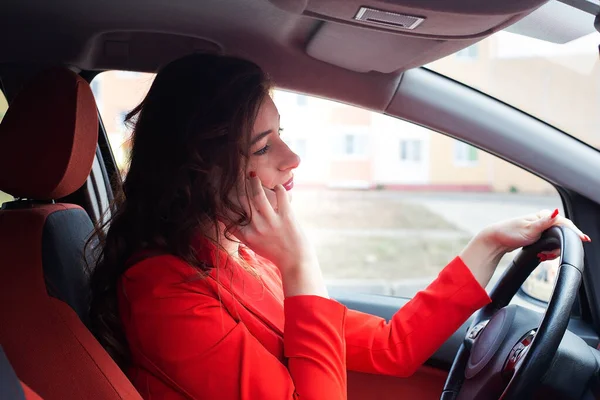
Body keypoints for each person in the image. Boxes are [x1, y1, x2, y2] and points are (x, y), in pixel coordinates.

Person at [88, 53, 590, 400]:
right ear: (199, 170)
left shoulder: (234, 254)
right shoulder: (163, 293)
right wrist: (300, 264)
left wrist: (487, 246)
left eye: (280, 135)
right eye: (264, 147)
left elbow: (392, 347)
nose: (293, 158)